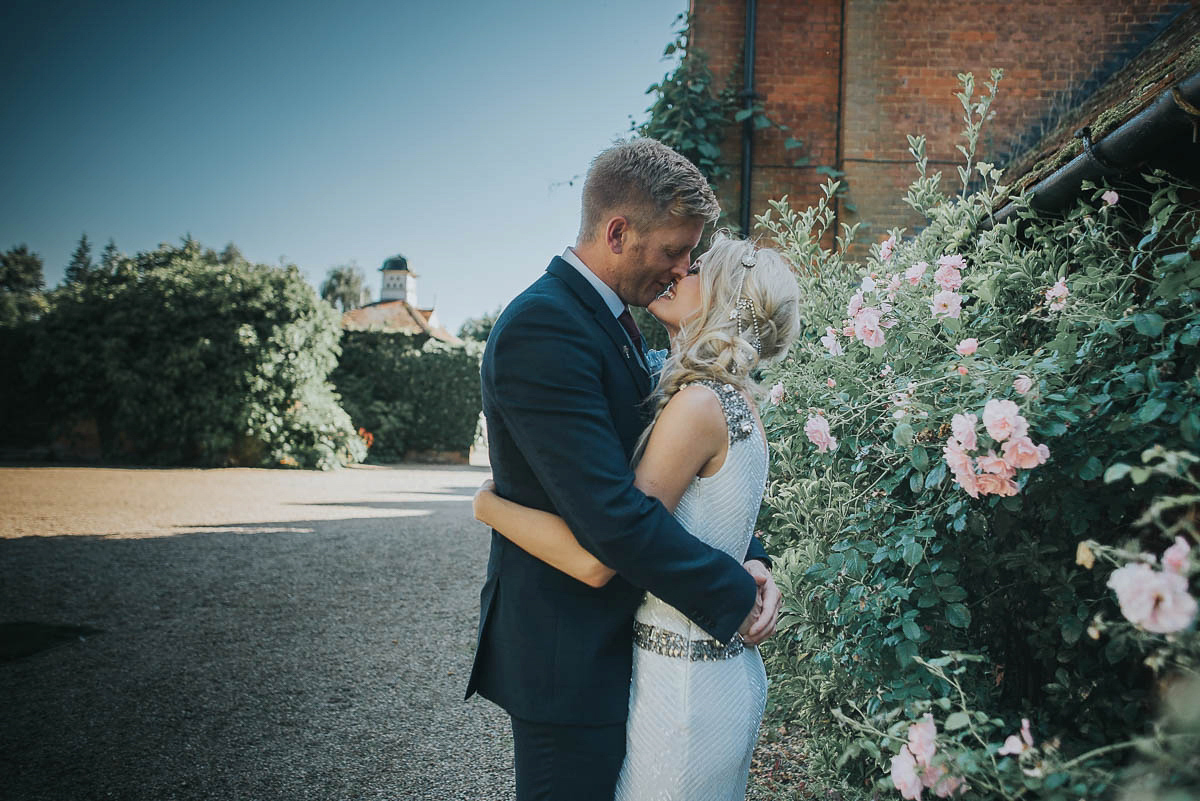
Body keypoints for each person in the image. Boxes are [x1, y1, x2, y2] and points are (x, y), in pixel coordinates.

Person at [464, 138, 784, 801]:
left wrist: (752, 558)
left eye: (690, 258)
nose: (678, 269)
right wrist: (732, 590)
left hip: (625, 651)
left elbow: (678, 480)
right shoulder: (543, 329)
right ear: (617, 232)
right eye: (673, 250)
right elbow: (613, 519)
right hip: (567, 662)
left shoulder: (611, 321)